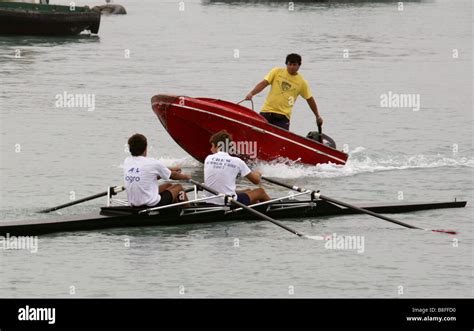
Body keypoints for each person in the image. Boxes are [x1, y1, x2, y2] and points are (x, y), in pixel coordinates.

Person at [245, 53, 323, 131]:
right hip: (266, 112)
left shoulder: (302, 82)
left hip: (283, 118)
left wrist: (317, 116)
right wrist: (251, 93)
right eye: (290, 64)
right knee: (255, 131)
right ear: (286, 64)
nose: (292, 67)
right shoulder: (276, 72)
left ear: (299, 65)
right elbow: (264, 83)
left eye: (294, 65)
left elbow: (309, 99)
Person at [204, 130, 270, 206]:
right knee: (260, 192)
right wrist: (258, 173)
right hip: (228, 202)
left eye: (212, 146)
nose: (211, 149)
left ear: (218, 146)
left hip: (209, 201)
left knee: (248, 191)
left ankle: (253, 209)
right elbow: (256, 181)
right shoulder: (237, 161)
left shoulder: (208, 159)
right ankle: (275, 210)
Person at [124, 133, 191, 207]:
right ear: (145, 148)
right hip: (151, 205)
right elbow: (173, 176)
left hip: (134, 203)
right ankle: (188, 212)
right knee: (179, 187)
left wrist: (172, 169)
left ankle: (172, 209)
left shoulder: (127, 161)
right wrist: (186, 177)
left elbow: (151, 173)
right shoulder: (151, 162)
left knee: (168, 185)